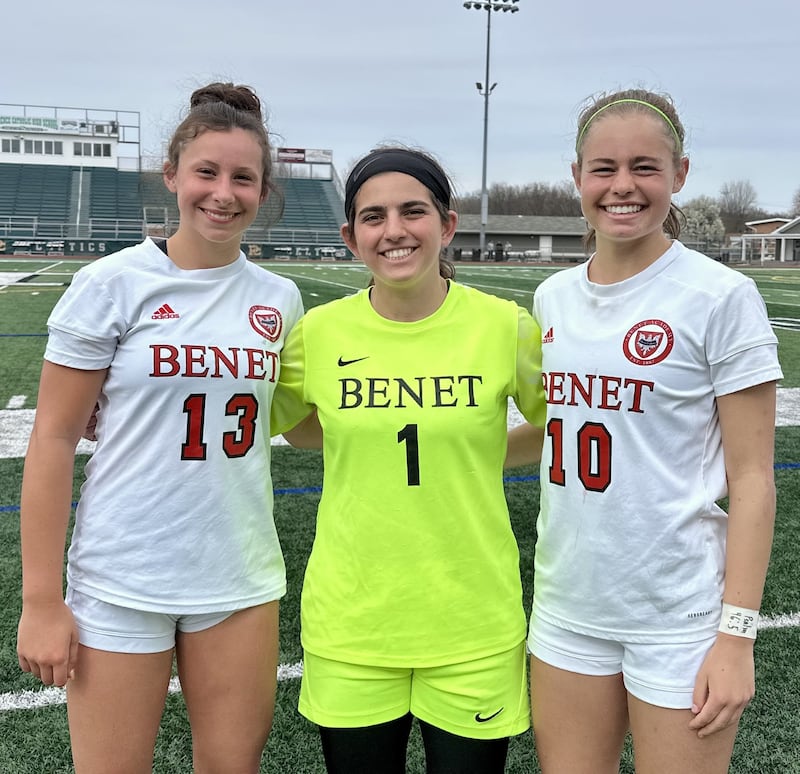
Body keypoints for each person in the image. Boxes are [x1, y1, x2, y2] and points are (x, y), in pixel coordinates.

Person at [16, 82, 303, 774]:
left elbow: (308, 420)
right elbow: (53, 438)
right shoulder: (112, 283)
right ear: (171, 175)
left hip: (237, 576)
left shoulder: (280, 299)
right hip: (123, 572)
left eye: (244, 177)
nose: (223, 193)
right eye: (206, 171)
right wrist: (40, 599)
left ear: (263, 192)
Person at [509, 88, 783, 773]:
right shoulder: (552, 298)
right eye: (603, 168)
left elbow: (752, 479)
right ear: (577, 178)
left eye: (643, 167)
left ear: (679, 175)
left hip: (679, 618)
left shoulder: (720, 297)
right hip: (567, 607)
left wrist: (737, 638)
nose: (622, 186)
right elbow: (564, 430)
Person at [270, 146, 546, 774]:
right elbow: (290, 427)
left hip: (471, 619)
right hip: (353, 621)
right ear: (350, 236)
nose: (394, 231)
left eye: (412, 212)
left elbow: (560, 424)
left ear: (446, 225)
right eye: (373, 217)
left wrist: (476, 455)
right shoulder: (319, 332)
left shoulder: (506, 326)